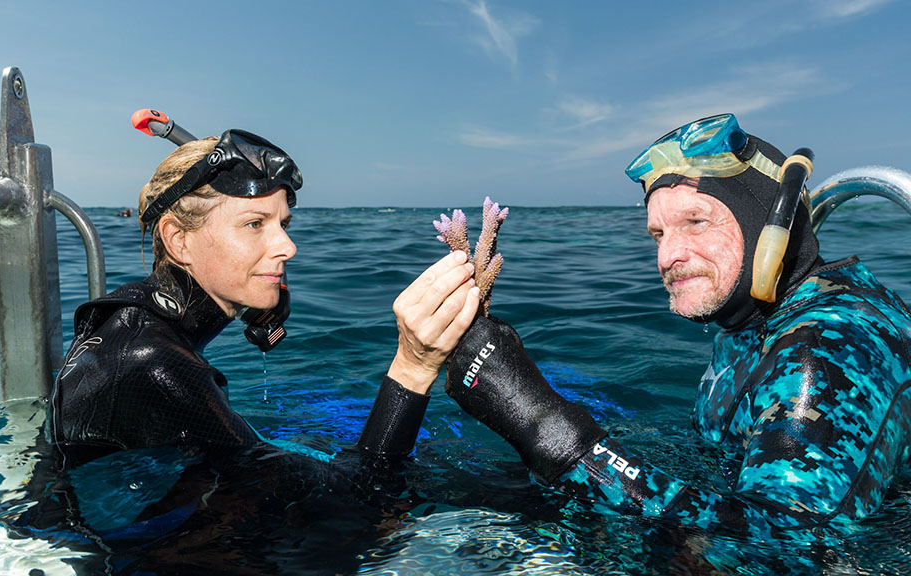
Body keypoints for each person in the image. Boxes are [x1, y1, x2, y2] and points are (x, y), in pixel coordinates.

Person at [444, 113, 911, 537]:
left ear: (772, 228)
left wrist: (544, 427)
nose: (668, 257)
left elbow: (782, 545)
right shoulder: (759, 322)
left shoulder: (827, 349)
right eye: (659, 234)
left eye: (696, 221)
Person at [50, 127, 479, 469]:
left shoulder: (136, 327)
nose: (287, 247)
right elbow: (350, 520)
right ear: (179, 241)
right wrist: (414, 367)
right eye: (255, 224)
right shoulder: (154, 364)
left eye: (283, 224)